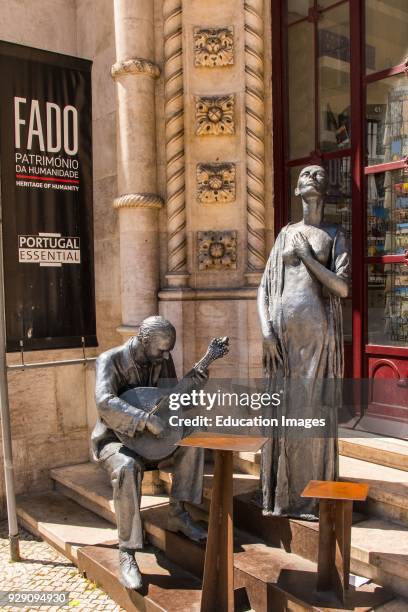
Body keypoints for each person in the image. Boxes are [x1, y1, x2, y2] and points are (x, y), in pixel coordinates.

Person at [257, 165, 350, 519]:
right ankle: (278, 494)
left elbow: (341, 288)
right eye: (305, 174)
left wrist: (309, 258)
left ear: (324, 191)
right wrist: (266, 329)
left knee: (306, 413)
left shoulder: (333, 234)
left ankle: (305, 495)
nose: (311, 176)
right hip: (279, 339)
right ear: (296, 189)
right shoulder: (284, 234)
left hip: (315, 338)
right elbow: (264, 288)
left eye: (318, 175)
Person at [91, 316, 208, 590]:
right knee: (126, 468)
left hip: (154, 441)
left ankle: (178, 513)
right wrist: (144, 420)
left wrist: (195, 384)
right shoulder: (110, 360)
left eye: (169, 350)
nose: (165, 356)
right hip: (114, 439)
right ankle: (127, 551)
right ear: (143, 340)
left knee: (194, 437)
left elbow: (174, 401)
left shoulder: (161, 360)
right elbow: (104, 401)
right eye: (160, 349)